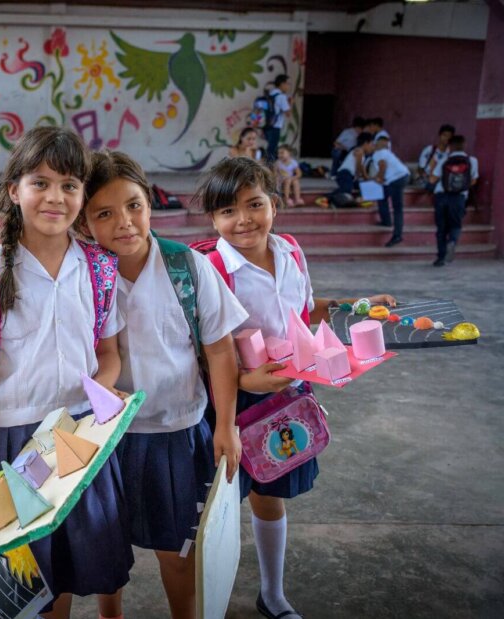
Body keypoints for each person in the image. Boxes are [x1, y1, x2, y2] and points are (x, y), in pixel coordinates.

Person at [194, 156, 395, 619]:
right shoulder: (209, 268)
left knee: (269, 496)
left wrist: (354, 306)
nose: (242, 219)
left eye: (254, 204)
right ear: (212, 218)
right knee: (214, 507)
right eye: (227, 211)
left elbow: (304, 312)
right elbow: (203, 350)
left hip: (286, 395)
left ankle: (272, 594)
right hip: (231, 399)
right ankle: (205, 603)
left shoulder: (290, 251)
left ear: (275, 205)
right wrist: (246, 380)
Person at [0, 127, 133, 619]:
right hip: (7, 441)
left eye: (70, 185)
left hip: (77, 439)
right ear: (14, 190)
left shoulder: (100, 269)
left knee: (66, 569)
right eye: (40, 182)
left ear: (82, 195)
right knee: (18, 578)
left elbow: (109, 353)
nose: (55, 197)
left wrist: (98, 400)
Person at [80, 150, 246, 619]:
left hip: (178, 434)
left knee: (178, 552)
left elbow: (219, 350)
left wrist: (226, 426)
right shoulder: (87, 277)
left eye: (134, 205)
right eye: (105, 214)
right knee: (105, 551)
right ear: (85, 223)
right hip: (107, 440)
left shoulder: (186, 268)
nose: (125, 223)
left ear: (150, 202)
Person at [429, 134, 479, 266]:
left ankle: (440, 258)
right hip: (459, 198)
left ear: (449, 146)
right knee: (456, 225)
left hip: (441, 196)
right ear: (464, 145)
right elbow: (473, 180)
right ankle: (452, 241)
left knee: (441, 228)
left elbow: (432, 179)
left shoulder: (444, 160)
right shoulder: (472, 160)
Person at [369, 137, 410, 247]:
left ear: (376, 145)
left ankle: (397, 235)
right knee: (382, 196)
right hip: (401, 176)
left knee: (397, 209)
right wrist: (378, 179)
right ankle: (386, 220)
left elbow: (383, 166)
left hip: (396, 179)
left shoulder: (378, 153)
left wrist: (379, 178)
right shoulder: (386, 152)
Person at [418, 124, 455, 191]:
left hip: (444, 181)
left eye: (449, 136)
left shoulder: (452, 153)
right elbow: (421, 168)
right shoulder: (430, 150)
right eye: (444, 135)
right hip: (428, 180)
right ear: (440, 135)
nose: (446, 138)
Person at [264, 75, 292, 162]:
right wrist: (291, 103)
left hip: (267, 125)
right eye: (287, 84)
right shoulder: (281, 96)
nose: (288, 86)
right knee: (272, 149)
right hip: (275, 126)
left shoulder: (271, 94)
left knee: (270, 148)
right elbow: (288, 113)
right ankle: (269, 170)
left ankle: (268, 168)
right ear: (282, 84)